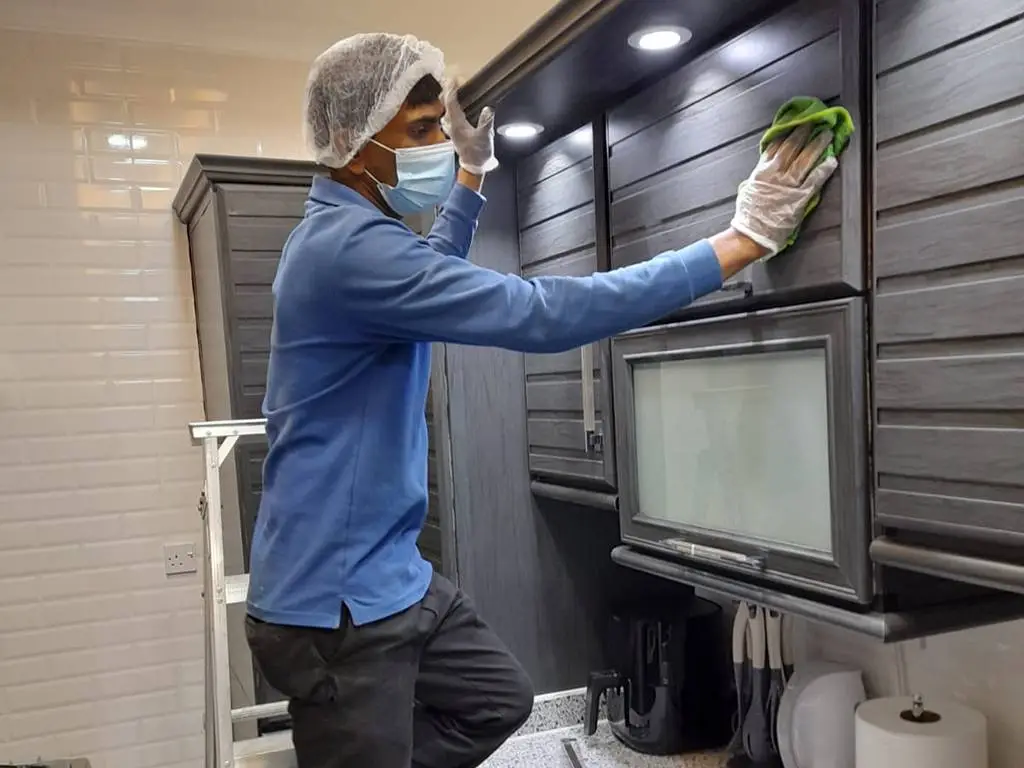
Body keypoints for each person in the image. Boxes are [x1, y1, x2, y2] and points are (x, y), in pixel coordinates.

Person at [243, 32, 838, 768]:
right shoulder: (344, 250)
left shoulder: (359, 236)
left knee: (497, 699)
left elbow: (430, 269)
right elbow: (540, 313)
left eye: (439, 126)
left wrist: (468, 175)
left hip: (385, 578)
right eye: (421, 130)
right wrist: (736, 243)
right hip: (336, 608)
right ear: (348, 142)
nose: (437, 139)